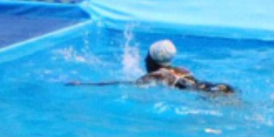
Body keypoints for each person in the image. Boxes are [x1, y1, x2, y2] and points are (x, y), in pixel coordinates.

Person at [73, 40, 236, 95]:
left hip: (211, 94)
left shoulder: (156, 76)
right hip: (219, 87)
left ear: (151, 59)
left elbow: (124, 84)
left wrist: (85, 84)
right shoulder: (182, 69)